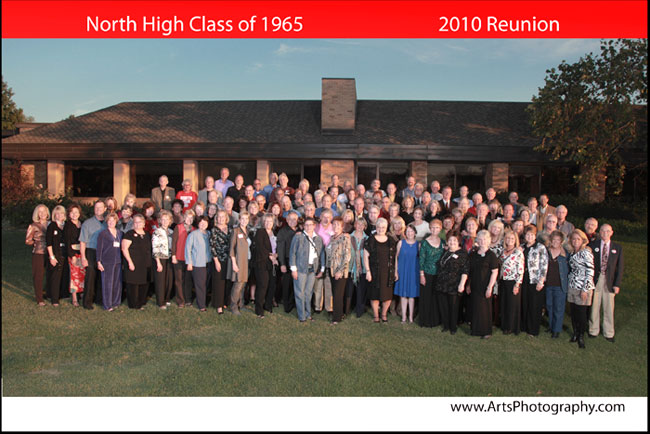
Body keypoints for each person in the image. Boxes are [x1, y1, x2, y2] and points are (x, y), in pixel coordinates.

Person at [588, 224, 624, 343]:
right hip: (596, 279)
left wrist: (617, 284)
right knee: (595, 305)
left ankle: (609, 332)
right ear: (600, 232)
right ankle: (593, 329)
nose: (605, 233)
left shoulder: (617, 248)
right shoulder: (593, 246)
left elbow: (620, 268)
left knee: (609, 306)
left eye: (607, 231)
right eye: (603, 231)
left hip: (609, 280)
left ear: (611, 233)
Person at [289, 217, 325, 322]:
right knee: (300, 292)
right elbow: (293, 253)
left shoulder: (318, 239)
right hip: (300, 268)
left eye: (311, 225)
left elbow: (321, 253)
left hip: (312, 269)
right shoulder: (298, 237)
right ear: (303, 226)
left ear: (314, 226)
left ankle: (308, 313)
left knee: (308, 293)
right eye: (306, 225)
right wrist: (293, 269)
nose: (309, 227)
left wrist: (321, 268)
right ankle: (302, 316)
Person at [364, 218, 397, 323]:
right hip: (374, 271)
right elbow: (365, 256)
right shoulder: (371, 240)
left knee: (387, 296)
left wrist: (396, 271)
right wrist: (368, 271)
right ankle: (376, 315)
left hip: (388, 272)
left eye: (383, 227)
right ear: (376, 227)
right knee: (375, 295)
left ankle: (384, 314)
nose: (381, 229)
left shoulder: (391, 240)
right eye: (379, 227)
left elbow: (395, 257)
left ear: (386, 228)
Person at [435, 231, 469, 334]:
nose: (452, 242)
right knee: (443, 306)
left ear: (458, 241)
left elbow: (465, 270)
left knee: (453, 307)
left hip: (454, 284)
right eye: (450, 240)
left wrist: (462, 284)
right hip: (441, 284)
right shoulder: (446, 252)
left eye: (454, 240)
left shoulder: (462, 253)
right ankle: (446, 325)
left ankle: (453, 327)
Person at [468, 230, 499, 339]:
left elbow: (494, 272)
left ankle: (486, 331)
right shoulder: (473, 254)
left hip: (485, 286)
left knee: (485, 309)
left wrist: (490, 287)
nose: (482, 241)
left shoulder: (491, 256)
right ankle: (475, 330)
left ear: (489, 241)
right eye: (480, 239)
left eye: (484, 239)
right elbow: (470, 271)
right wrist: (468, 285)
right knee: (475, 307)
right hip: (475, 285)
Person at [567, 229, 595, 349]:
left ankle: (581, 336)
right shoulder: (573, 252)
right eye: (573, 239)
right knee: (573, 311)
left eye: (578, 239)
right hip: (572, 285)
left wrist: (585, 289)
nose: (575, 241)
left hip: (583, 286)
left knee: (581, 313)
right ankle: (575, 332)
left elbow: (590, 271)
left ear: (583, 240)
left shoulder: (586, 252)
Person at [520, 225, 549, 337]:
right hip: (524, 279)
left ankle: (533, 330)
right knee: (525, 303)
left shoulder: (540, 247)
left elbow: (544, 265)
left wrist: (541, 281)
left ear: (535, 235)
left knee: (534, 305)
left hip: (535, 280)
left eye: (532, 234)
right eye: (527, 234)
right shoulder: (522, 247)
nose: (529, 236)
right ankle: (524, 326)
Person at [80, 200, 107, 309]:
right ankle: (87, 302)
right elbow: (82, 241)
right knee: (90, 276)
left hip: (104, 252)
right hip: (91, 250)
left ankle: (99, 299)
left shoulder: (108, 222)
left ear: (105, 209)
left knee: (102, 276)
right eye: (96, 208)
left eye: (100, 208)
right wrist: (83, 257)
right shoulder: (87, 223)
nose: (98, 210)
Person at [121, 214, 152, 310]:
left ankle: (141, 302)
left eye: (139, 222)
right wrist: (130, 262)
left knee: (144, 283)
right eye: (135, 222)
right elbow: (124, 249)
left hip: (145, 264)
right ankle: (133, 304)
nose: (137, 224)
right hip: (133, 263)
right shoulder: (129, 234)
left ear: (144, 223)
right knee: (133, 284)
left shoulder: (147, 234)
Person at [418, 219, 445, 328]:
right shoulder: (424, 242)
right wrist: (421, 275)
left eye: (437, 228)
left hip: (438, 274)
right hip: (427, 273)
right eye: (433, 227)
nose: (435, 229)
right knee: (426, 297)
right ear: (430, 228)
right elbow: (421, 259)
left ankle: (435, 320)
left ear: (440, 229)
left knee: (435, 297)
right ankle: (425, 320)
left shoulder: (442, 242)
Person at [499, 229, 525, 335]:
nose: (510, 240)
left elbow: (521, 269)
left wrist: (517, 284)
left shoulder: (518, 252)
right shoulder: (503, 251)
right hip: (503, 281)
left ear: (515, 240)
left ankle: (511, 327)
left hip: (513, 282)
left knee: (512, 305)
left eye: (512, 238)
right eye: (508, 238)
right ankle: (504, 325)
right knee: (504, 304)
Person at [326, 217, 352, 325]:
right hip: (331, 270)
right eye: (334, 224)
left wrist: (340, 271)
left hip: (340, 271)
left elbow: (347, 256)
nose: (336, 227)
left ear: (342, 227)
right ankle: (339, 313)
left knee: (337, 294)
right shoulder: (332, 238)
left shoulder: (345, 238)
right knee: (335, 293)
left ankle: (336, 318)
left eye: (338, 225)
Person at [253, 214, 279, 318]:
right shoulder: (260, 232)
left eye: (270, 221)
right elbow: (260, 248)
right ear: (263, 222)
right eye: (266, 221)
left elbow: (277, 247)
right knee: (263, 285)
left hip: (272, 263)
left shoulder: (274, 233)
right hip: (262, 262)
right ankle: (259, 309)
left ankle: (268, 306)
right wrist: (271, 257)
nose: (268, 223)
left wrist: (276, 255)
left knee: (271, 285)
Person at [96, 212, 123, 311]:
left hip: (118, 261)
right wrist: (98, 262)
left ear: (116, 221)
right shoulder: (103, 234)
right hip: (107, 261)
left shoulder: (120, 233)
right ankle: (107, 305)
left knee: (117, 283)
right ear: (107, 222)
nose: (111, 222)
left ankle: (115, 302)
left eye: (113, 220)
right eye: (109, 221)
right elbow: (99, 248)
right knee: (107, 284)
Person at [544, 230, 569, 338]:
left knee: (558, 308)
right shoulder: (546, 252)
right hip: (548, 284)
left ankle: (556, 329)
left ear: (561, 241)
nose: (555, 242)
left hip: (560, 285)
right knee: (549, 306)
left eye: (558, 240)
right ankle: (551, 326)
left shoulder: (565, 254)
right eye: (553, 239)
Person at [394, 224, 420, 323]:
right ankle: (404, 316)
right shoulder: (401, 243)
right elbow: (396, 258)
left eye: (411, 231)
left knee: (412, 296)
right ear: (405, 233)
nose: (409, 233)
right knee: (403, 295)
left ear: (415, 233)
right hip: (402, 271)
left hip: (413, 272)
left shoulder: (419, 245)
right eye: (408, 231)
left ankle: (411, 317)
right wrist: (396, 271)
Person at [185, 216, 212, 312]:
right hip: (198, 264)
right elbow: (188, 249)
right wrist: (189, 263)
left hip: (208, 262)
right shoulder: (193, 234)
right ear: (198, 223)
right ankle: (201, 305)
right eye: (201, 222)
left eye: (205, 222)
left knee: (206, 284)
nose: (203, 224)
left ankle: (204, 300)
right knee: (200, 285)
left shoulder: (208, 234)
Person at [26, 204, 50, 306]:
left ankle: (48, 293)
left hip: (50, 253)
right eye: (40, 212)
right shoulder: (33, 226)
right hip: (38, 253)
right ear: (37, 214)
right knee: (38, 275)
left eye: (44, 211)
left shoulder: (51, 224)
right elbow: (27, 240)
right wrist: (36, 243)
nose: (42, 213)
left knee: (50, 275)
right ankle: (39, 298)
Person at [171, 209, 195, 307]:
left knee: (188, 280)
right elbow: (174, 242)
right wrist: (173, 255)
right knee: (179, 280)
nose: (189, 219)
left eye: (191, 218)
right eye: (187, 217)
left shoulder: (194, 229)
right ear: (184, 217)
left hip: (189, 259)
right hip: (179, 257)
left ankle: (188, 298)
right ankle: (180, 300)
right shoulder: (178, 227)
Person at [277, 210, 299, 313]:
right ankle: (287, 306)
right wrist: (282, 264)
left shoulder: (299, 231)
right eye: (290, 219)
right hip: (287, 260)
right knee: (287, 285)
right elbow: (280, 248)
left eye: (294, 219)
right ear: (286, 220)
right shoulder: (283, 232)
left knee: (296, 284)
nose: (292, 221)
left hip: (298, 261)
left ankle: (292, 302)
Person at [229, 211, 251, 315]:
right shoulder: (236, 231)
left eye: (246, 219)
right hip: (238, 261)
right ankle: (233, 307)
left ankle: (241, 304)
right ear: (239, 219)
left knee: (243, 284)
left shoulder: (248, 231)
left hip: (247, 261)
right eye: (242, 219)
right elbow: (232, 248)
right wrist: (234, 263)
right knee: (238, 284)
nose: (244, 221)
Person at [152, 210, 174, 309]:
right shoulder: (157, 232)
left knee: (169, 280)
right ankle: (161, 302)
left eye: (167, 219)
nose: (165, 221)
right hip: (160, 258)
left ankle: (166, 298)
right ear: (160, 220)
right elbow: (155, 247)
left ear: (170, 221)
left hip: (169, 258)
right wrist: (158, 262)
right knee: (160, 281)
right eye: (163, 219)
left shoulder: (172, 232)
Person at [314, 209, 335, 314]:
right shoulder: (316, 227)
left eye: (328, 217)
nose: (326, 219)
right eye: (324, 217)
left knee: (328, 284)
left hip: (330, 259)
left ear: (331, 218)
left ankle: (329, 307)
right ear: (320, 217)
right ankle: (318, 306)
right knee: (318, 283)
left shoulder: (334, 228)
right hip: (318, 257)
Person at [46, 205, 67, 307]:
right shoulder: (52, 226)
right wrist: (51, 257)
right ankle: (54, 299)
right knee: (55, 276)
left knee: (63, 275)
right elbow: (48, 242)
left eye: (61, 213)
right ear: (54, 215)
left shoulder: (66, 225)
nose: (59, 215)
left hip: (64, 253)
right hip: (55, 253)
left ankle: (60, 294)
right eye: (57, 213)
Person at [64, 203, 85, 307]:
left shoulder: (81, 224)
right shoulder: (68, 225)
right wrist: (71, 255)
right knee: (74, 276)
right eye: (72, 213)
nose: (74, 214)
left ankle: (81, 292)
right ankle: (74, 298)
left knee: (81, 275)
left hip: (81, 253)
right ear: (69, 214)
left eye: (76, 212)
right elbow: (67, 242)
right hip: (73, 254)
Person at [349, 218, 369, 318]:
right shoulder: (349, 237)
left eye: (362, 224)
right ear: (355, 225)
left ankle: (359, 311)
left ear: (365, 227)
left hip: (363, 268)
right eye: (358, 224)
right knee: (349, 291)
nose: (360, 226)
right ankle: (347, 309)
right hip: (350, 268)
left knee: (361, 291)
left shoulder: (367, 239)